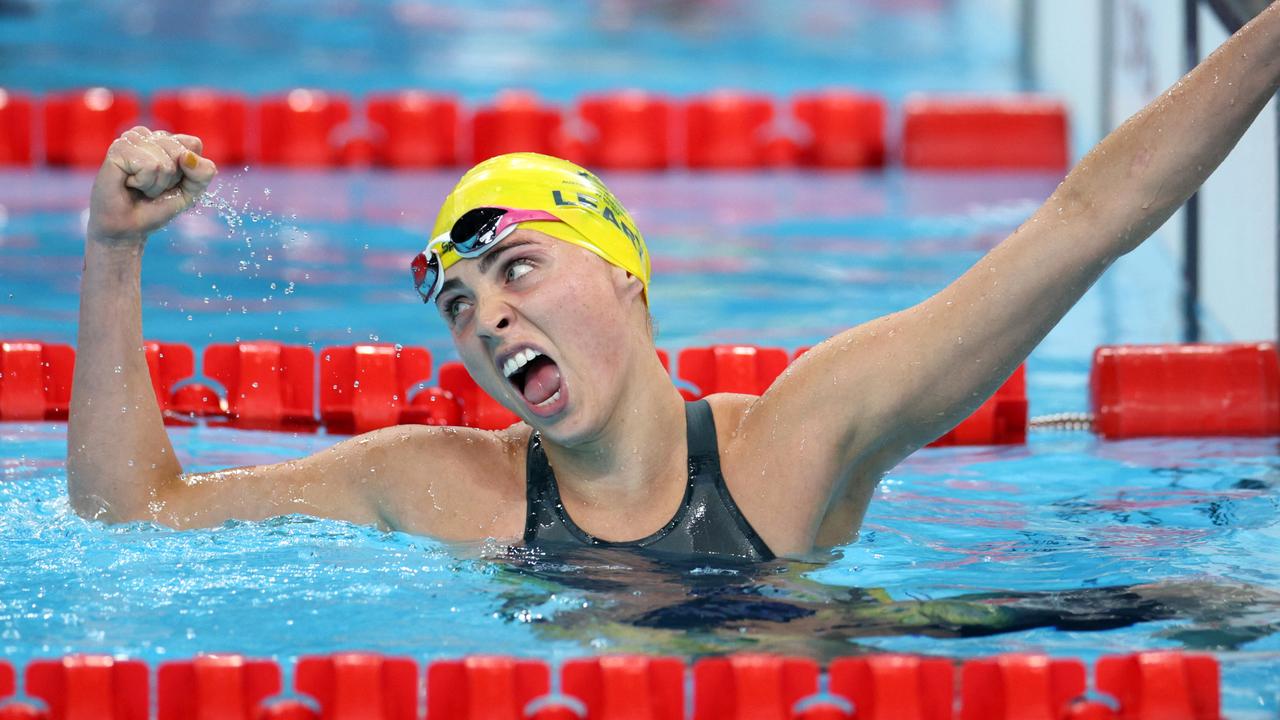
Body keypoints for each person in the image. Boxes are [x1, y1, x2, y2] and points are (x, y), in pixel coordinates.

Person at [67, 3, 1280, 562]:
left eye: (518, 268)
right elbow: (135, 517)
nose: (488, 316)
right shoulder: (439, 487)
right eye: (460, 305)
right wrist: (114, 253)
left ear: (628, 281)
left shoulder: (797, 442)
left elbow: (1084, 222)